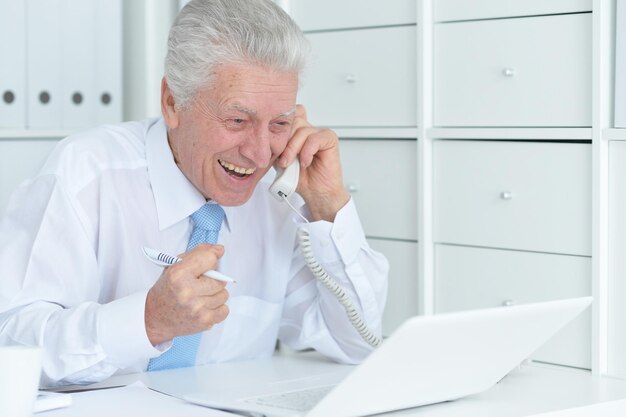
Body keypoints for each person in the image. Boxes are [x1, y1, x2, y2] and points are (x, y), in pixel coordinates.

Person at [0, 0, 388, 387]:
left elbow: (355, 344)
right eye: (237, 120)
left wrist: (327, 204)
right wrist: (148, 320)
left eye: (280, 123)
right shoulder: (84, 172)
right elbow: (14, 345)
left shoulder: (281, 195)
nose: (259, 153)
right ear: (172, 103)